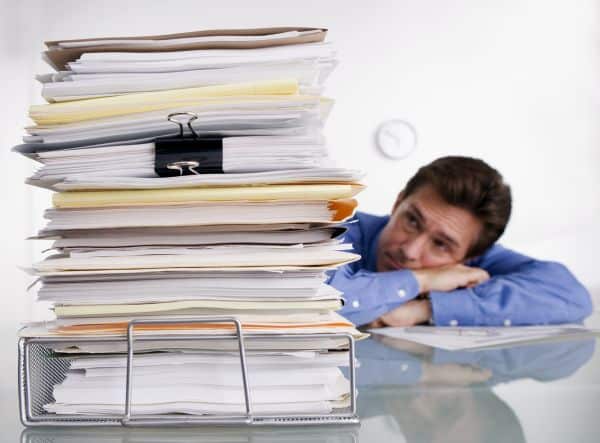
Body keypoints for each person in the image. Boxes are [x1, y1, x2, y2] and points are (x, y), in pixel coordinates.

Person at [329, 156, 593, 327]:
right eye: (411, 221)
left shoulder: (470, 262)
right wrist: (424, 280)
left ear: (468, 258)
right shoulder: (335, 228)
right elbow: (316, 305)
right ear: (398, 202)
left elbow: (570, 296)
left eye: (441, 244)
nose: (410, 251)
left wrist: (427, 309)